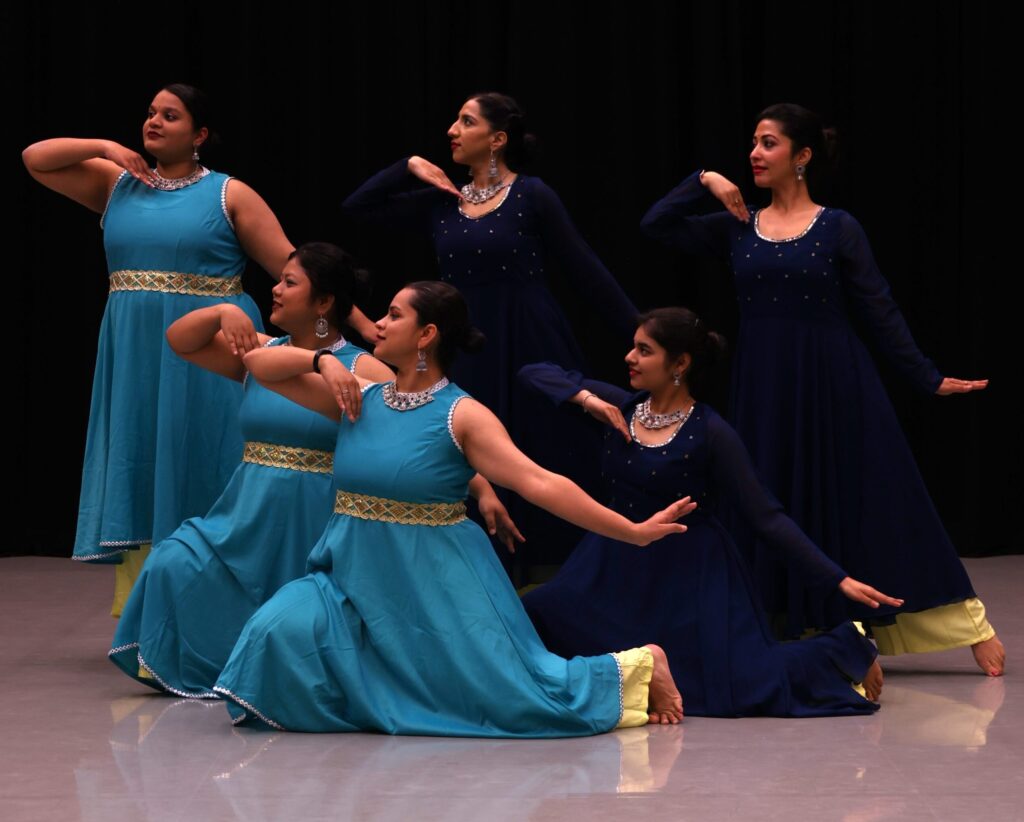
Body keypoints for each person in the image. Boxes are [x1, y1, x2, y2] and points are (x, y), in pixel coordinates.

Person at [213, 282, 692, 735]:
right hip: (346, 582)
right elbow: (259, 365)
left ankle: (643, 666)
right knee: (271, 634)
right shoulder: (360, 398)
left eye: (394, 315)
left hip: (430, 588)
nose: (378, 324)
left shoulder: (461, 416)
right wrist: (322, 359)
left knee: (521, 699)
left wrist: (631, 531)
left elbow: (539, 483)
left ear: (426, 335)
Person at [639, 103, 1003, 675]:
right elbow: (655, 225)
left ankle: (962, 625)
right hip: (765, 387)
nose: (755, 155)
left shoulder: (837, 227)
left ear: (802, 156)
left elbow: (878, 307)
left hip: (834, 383)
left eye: (769, 144)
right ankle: (786, 620)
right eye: (753, 143)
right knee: (768, 495)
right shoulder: (739, 225)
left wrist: (925, 376)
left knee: (873, 496)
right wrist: (702, 179)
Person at [520, 307, 907, 716]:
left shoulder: (711, 432)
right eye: (633, 347)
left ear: (680, 364)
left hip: (687, 575)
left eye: (644, 350)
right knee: (536, 614)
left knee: (739, 686)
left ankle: (848, 644)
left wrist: (837, 579)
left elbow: (767, 517)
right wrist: (586, 399)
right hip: (610, 565)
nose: (629, 358)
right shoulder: (621, 409)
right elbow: (532, 372)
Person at [23, 84, 294, 614]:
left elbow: (291, 267)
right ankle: (152, 605)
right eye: (150, 112)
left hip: (210, 348)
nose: (154, 122)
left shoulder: (228, 193)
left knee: (206, 455)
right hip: (136, 350)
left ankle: (220, 601)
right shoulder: (116, 183)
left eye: (171, 116)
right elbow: (34, 158)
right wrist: (103, 145)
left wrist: (351, 322)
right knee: (145, 457)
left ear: (199, 135)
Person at [341, 92, 638, 574]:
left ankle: (568, 569)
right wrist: (409, 165)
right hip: (466, 345)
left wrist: (643, 331)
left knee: (546, 447)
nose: (452, 131)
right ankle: (486, 568)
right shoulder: (442, 201)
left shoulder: (531, 195)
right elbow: (357, 207)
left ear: (497, 139)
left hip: (529, 339)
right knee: (469, 448)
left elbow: (586, 270)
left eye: (466, 121)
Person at [109, 243, 397, 697]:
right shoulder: (262, 352)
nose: (276, 290)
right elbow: (181, 340)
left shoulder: (365, 368)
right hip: (244, 514)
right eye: (279, 280)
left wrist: (478, 485)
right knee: (171, 560)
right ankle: (222, 668)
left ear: (323, 303)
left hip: (314, 518)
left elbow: (420, 426)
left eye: (290, 283)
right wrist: (222, 310)